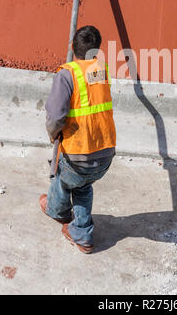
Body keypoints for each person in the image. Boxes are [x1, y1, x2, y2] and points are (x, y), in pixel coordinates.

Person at [39, 25, 116, 254]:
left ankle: (57, 211)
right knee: (83, 185)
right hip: (105, 154)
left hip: (78, 156)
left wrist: (53, 135)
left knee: (64, 178)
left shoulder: (66, 75)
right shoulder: (102, 70)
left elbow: (55, 117)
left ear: (73, 48)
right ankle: (82, 235)